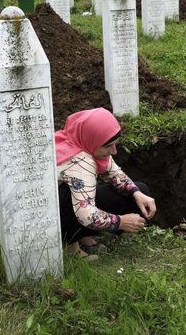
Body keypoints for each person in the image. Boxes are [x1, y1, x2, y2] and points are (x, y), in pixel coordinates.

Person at [55, 108, 157, 259]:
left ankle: (79, 236)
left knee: (141, 190)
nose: (114, 151)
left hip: (64, 203)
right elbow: (86, 215)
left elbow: (115, 173)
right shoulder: (80, 163)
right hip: (54, 218)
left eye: (114, 144)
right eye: (108, 146)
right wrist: (121, 222)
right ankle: (69, 241)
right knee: (82, 200)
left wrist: (136, 193)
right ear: (93, 139)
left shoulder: (78, 141)